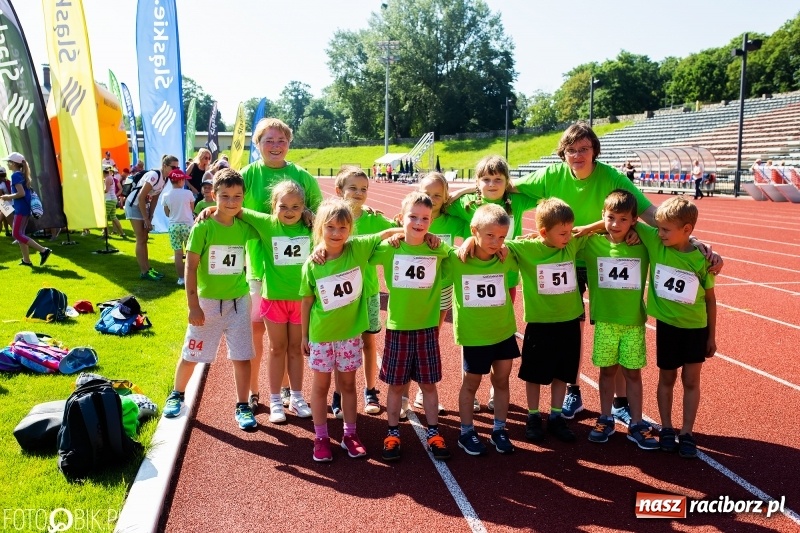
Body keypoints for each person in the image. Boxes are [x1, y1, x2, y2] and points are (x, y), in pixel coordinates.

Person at [511, 122, 657, 420]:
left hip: (603, 254)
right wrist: (465, 193)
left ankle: (620, 403)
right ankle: (573, 391)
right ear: (563, 153)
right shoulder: (551, 174)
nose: (577, 155)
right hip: (567, 259)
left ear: (594, 151)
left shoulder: (611, 177)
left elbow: (646, 211)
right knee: (569, 330)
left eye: (584, 149)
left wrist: (683, 237)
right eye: (571, 150)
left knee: (614, 322)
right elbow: (508, 187)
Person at [300, 199, 400, 461]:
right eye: (330, 227)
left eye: (342, 228)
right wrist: (304, 336)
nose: (336, 233)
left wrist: (416, 232)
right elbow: (307, 301)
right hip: (321, 336)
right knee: (320, 387)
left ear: (350, 229)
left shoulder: (357, 249)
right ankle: (321, 437)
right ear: (320, 228)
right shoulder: (313, 263)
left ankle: (350, 434)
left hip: (349, 336)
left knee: (347, 385)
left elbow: (384, 234)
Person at [162, 168, 257, 431]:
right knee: (192, 354)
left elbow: (270, 225)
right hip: (207, 304)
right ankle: (177, 394)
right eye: (224, 196)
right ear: (213, 195)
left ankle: (242, 404)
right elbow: (191, 267)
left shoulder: (244, 226)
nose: (231, 202)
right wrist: (193, 305)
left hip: (238, 301)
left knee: (242, 356)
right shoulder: (203, 226)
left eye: (237, 196)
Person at [241, 117, 323, 416]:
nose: (275, 146)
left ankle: (290, 390)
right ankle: (253, 392)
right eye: (268, 141)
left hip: (295, 274)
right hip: (258, 268)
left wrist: (311, 215)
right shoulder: (248, 174)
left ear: (289, 143)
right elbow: (230, 204)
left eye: (281, 141)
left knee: (292, 339)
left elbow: (320, 213)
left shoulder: (302, 176)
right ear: (257, 144)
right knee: (258, 335)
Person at [446, 155, 537, 410]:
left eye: (498, 179)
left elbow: (540, 191)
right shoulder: (468, 203)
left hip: (505, 276)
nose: (492, 184)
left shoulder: (515, 201)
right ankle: (470, 386)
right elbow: (443, 202)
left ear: (507, 182)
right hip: (471, 275)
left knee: (499, 328)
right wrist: (468, 189)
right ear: (477, 183)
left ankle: (496, 391)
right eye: (485, 179)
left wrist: (511, 186)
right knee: (473, 334)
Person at [369, 191, 451, 462]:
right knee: (395, 385)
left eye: (425, 218)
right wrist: (391, 233)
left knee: (428, 385)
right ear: (401, 218)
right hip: (398, 327)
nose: (419, 222)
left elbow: (460, 257)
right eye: (412, 217)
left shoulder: (437, 248)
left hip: (427, 328)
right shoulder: (390, 248)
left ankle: (434, 433)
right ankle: (392, 433)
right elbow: (360, 249)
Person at [634, 196, 716, 459]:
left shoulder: (703, 260)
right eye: (659, 228)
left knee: (691, 380)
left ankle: (687, 432)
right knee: (666, 378)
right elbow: (625, 220)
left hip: (695, 328)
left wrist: (711, 336)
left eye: (666, 230)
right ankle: (667, 427)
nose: (660, 233)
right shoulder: (658, 244)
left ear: (687, 230)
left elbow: (711, 299)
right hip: (667, 328)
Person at [578, 190, 658, 450]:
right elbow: (563, 238)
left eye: (624, 219)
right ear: (603, 217)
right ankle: (605, 417)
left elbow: (667, 234)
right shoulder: (592, 244)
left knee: (633, 373)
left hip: (633, 323)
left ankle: (636, 423)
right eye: (611, 218)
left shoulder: (643, 245)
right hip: (605, 323)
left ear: (634, 220)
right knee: (606, 371)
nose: (616, 225)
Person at [502, 198, 585, 443]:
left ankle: (556, 416)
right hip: (540, 324)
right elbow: (498, 244)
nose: (568, 237)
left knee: (563, 372)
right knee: (535, 374)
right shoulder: (526, 248)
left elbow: (600, 228)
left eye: (570, 231)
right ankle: (533, 415)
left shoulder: (571, 244)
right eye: (562, 233)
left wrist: (584, 230)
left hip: (569, 321)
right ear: (542, 232)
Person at [238, 181, 313, 424]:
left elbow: (340, 221)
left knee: (297, 350)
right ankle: (275, 401)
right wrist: (209, 209)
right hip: (274, 301)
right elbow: (236, 209)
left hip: (301, 301)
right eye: (283, 206)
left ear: (304, 207)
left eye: (296, 206)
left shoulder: (312, 226)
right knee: (276, 348)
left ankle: (297, 397)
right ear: (273, 206)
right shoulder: (267, 224)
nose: (289, 211)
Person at [450, 204, 519, 456]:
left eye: (501, 236)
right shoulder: (458, 259)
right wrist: (467, 241)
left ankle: (499, 429)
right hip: (475, 335)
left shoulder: (506, 255)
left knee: (501, 381)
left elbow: (533, 243)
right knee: (471, 384)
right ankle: (466, 431)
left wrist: (506, 246)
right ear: (474, 230)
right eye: (489, 235)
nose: (496, 242)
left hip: (502, 332)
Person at [332, 166, 397, 417]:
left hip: (368, 292)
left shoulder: (374, 219)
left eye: (364, 189)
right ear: (339, 191)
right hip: (341, 295)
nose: (359, 193)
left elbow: (399, 227)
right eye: (353, 188)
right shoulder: (331, 217)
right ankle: (338, 392)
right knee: (342, 345)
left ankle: (370, 389)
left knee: (369, 342)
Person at [408, 172, 467, 414]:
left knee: (430, 340)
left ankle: (423, 392)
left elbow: (477, 227)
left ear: (446, 197)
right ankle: (402, 395)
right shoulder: (410, 218)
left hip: (442, 286)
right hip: (413, 290)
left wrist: (461, 194)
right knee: (408, 339)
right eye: (427, 193)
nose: (431, 200)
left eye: (437, 195)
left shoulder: (453, 221)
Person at [124, 154, 177, 281]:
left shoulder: (165, 178)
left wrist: (150, 215)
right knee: (141, 238)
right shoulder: (155, 175)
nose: (175, 170)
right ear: (164, 166)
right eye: (173, 167)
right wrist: (146, 218)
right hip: (134, 205)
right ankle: (144, 271)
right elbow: (142, 197)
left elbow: (155, 198)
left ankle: (148, 268)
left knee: (145, 237)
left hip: (142, 206)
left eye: (177, 167)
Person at [0, 152, 52, 267]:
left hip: (21, 208)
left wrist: (7, 196)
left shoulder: (15, 176)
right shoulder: (22, 174)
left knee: (17, 234)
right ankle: (26, 260)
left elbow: (21, 193)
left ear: (14, 164)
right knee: (20, 233)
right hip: (25, 208)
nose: (8, 164)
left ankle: (43, 250)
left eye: (9, 162)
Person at [162, 169, 196, 286]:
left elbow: (167, 213)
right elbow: (192, 209)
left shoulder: (166, 195)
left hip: (173, 226)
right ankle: (191, 277)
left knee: (177, 254)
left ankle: (181, 278)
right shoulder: (188, 193)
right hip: (187, 225)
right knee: (190, 253)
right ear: (180, 180)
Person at [0, 165, 13, 236]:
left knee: (10, 221)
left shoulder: (1, 184)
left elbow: (1, 197)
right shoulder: (9, 182)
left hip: (5, 204)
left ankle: (17, 235)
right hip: (11, 203)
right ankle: (8, 232)